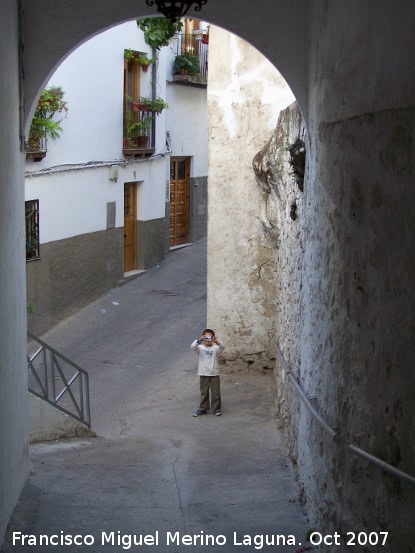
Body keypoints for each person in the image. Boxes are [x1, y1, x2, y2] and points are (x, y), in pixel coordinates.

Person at [191, 328, 225, 417]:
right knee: (204, 392)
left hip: (214, 373)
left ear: (213, 338)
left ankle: (216, 409)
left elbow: (223, 347)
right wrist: (199, 340)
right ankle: (203, 409)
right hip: (203, 373)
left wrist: (216, 341)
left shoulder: (215, 348)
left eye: (210, 337)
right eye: (206, 337)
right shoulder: (200, 348)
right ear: (203, 338)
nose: (208, 339)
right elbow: (192, 346)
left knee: (216, 393)